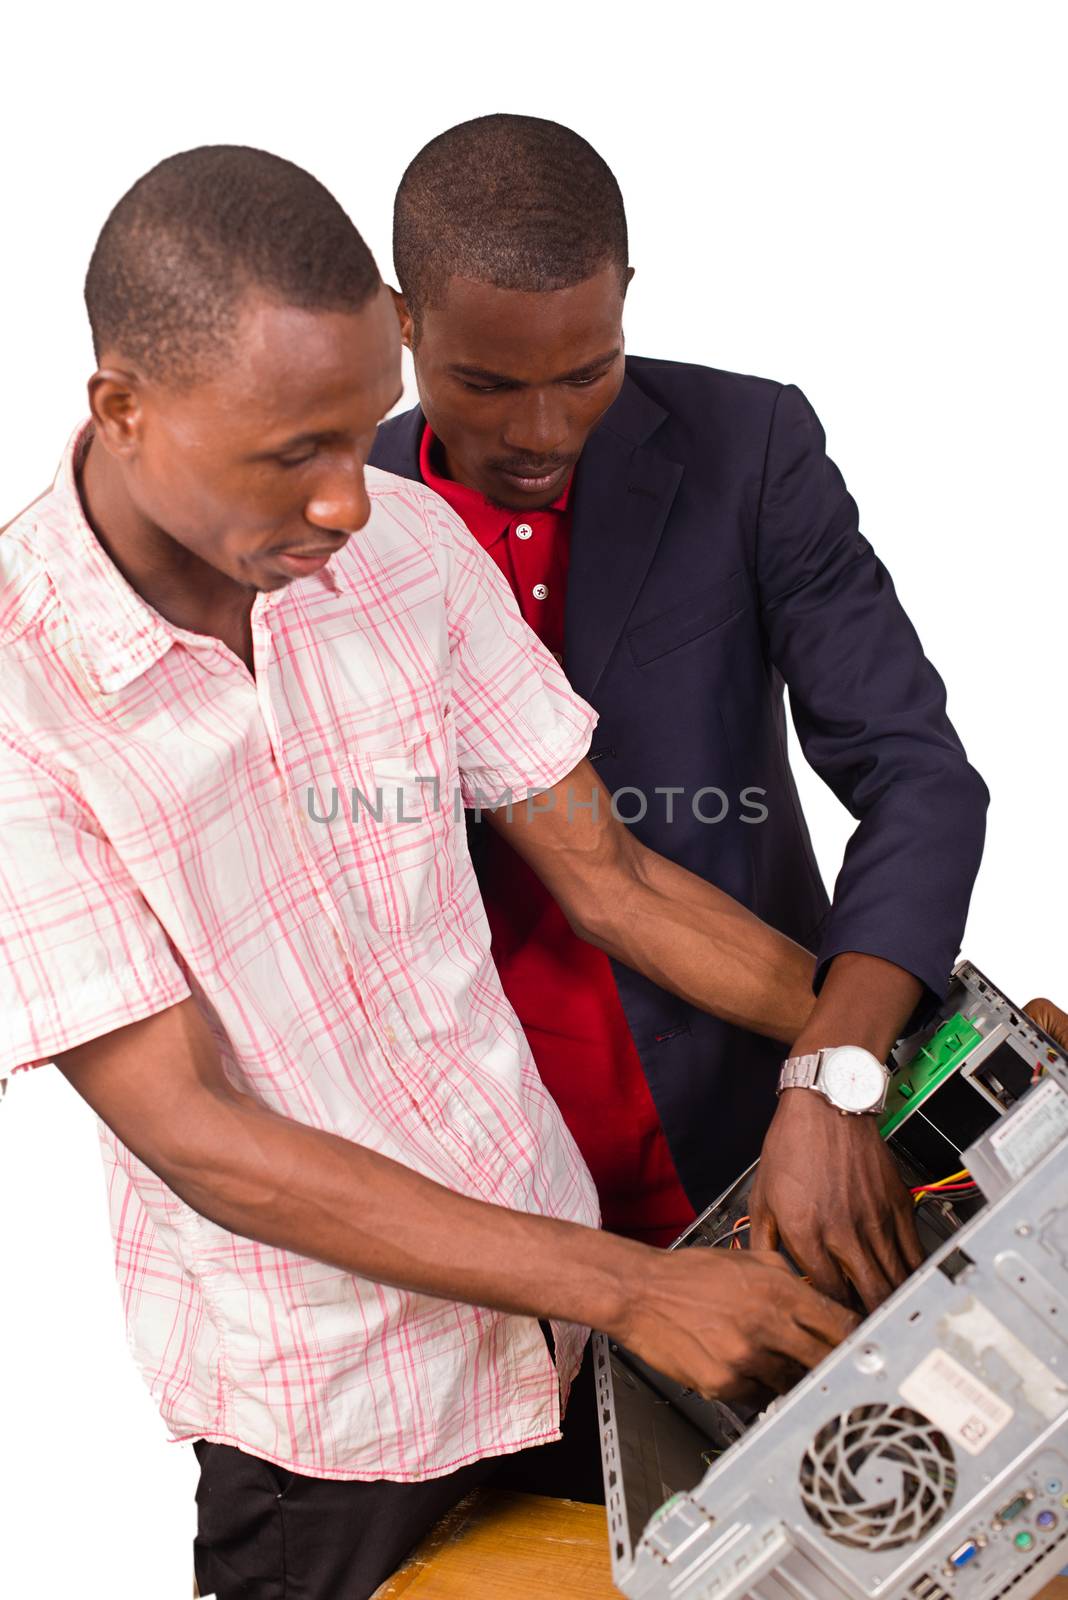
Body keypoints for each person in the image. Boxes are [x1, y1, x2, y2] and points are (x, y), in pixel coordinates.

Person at [0, 146, 859, 1600]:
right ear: (123, 407)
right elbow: (198, 1134)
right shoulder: (20, 704)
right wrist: (640, 1286)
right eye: (293, 455)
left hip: (568, 1348)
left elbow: (614, 879)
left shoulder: (406, 548)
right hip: (332, 1439)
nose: (349, 502)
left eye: (359, 436)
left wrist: (904, 1041)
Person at [370, 113, 991, 1303]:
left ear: (628, 299)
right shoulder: (326, 522)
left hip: (772, 1151)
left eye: (586, 371)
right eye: (487, 383)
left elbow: (919, 776)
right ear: (403, 322)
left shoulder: (748, 451)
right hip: (485, 1222)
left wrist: (835, 1065)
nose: (543, 432)